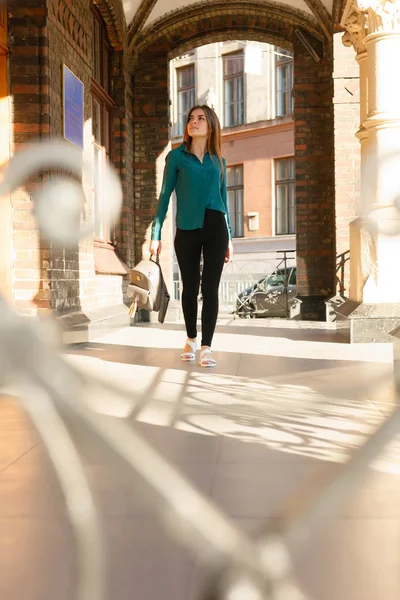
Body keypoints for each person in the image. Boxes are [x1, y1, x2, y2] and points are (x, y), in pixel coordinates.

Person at [149, 105, 234, 367]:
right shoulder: (176, 158)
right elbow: (164, 196)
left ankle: (207, 346)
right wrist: (156, 232)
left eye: (200, 119)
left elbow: (224, 200)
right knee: (189, 287)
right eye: (190, 119)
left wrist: (230, 237)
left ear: (211, 126)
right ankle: (191, 338)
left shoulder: (219, 161)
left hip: (216, 227)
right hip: (186, 227)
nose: (193, 122)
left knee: (210, 289)